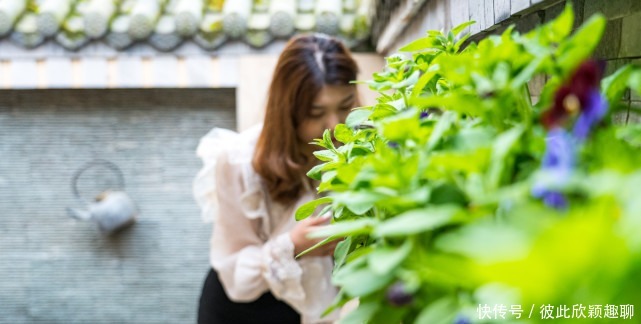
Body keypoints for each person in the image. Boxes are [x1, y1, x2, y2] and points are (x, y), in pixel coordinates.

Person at [193, 34, 360, 324]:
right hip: (244, 309)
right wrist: (291, 245)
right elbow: (234, 271)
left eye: (345, 106)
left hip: (312, 307)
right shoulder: (238, 160)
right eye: (316, 112)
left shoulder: (362, 151)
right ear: (289, 110)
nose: (334, 124)